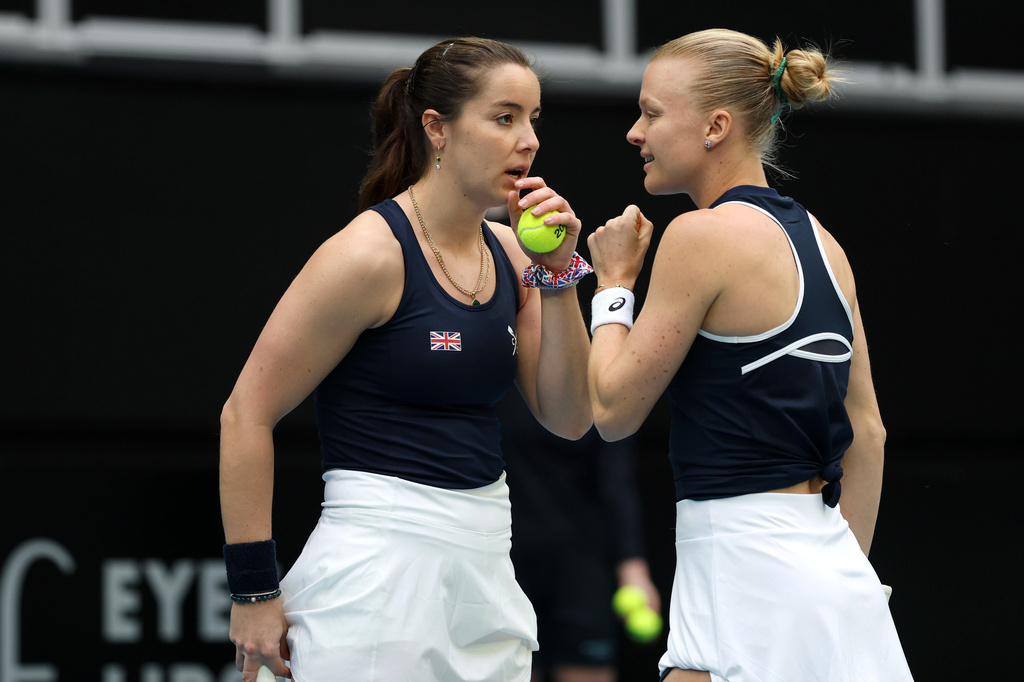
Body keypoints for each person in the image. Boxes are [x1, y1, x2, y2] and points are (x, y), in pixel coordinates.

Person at [219, 37, 594, 682]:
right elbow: (244, 415)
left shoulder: (512, 255)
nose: (529, 140)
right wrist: (253, 591)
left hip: (485, 571)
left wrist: (560, 275)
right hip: (374, 578)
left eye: (533, 120)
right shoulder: (368, 254)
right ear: (436, 129)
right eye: (505, 118)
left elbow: (570, 416)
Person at [585, 29, 913, 682]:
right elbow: (867, 433)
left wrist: (614, 286)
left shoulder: (698, 237)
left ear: (715, 127)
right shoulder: (828, 246)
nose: (633, 131)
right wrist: (834, 582)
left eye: (651, 113)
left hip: (749, 567)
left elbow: (612, 408)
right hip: (829, 571)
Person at [497, 390, 661, 682]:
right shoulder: (495, 376)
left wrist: (633, 566)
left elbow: (616, 479)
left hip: (582, 563)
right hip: (505, 563)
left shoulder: (596, 381)